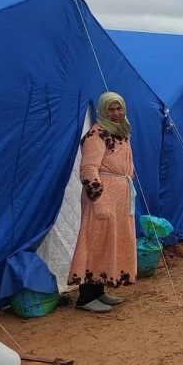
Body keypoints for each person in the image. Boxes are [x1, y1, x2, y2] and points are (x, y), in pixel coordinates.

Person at [69, 92, 137, 313]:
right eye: (111, 109)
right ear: (103, 111)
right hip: (102, 198)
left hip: (119, 197)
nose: (116, 113)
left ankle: (99, 291)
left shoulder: (120, 132)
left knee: (108, 244)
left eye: (119, 108)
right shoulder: (96, 135)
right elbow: (88, 169)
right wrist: (99, 199)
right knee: (95, 243)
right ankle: (86, 297)